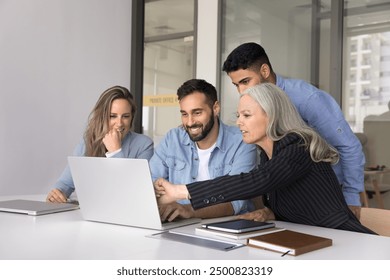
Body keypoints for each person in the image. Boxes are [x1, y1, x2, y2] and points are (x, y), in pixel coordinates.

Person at [155, 83, 376, 234]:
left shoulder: (298, 145)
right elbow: (296, 203)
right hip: (311, 241)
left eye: (247, 115)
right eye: (238, 115)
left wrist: (181, 191)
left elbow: (257, 180)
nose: (239, 122)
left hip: (346, 241)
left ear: (271, 116)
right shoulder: (268, 155)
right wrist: (268, 211)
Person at [222, 42, 365, 219]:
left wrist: (351, 196)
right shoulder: (254, 106)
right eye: (236, 85)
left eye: (245, 81)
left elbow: (348, 146)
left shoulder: (307, 98)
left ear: (265, 71)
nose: (242, 91)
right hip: (292, 202)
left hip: (329, 198)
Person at [149, 79, 258, 221]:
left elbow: (236, 201)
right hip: (178, 225)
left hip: (227, 226)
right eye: (184, 114)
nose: (189, 122)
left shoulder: (242, 142)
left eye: (197, 113)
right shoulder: (172, 139)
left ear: (215, 108)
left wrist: (189, 210)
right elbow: (149, 188)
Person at [46, 85, 154, 203]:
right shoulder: (88, 142)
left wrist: (115, 151)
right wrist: (58, 192)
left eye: (125, 116)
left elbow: (134, 191)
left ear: (132, 117)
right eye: (112, 116)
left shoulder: (144, 145)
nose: (119, 123)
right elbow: (66, 182)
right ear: (102, 117)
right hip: (92, 211)